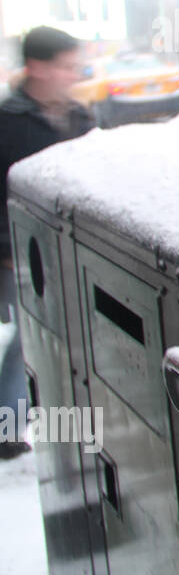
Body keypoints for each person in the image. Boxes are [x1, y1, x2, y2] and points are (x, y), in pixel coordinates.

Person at [0, 27, 96, 459]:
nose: (72, 76)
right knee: (28, 339)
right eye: (64, 66)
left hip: (69, 254)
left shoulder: (82, 119)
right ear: (37, 67)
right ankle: (7, 427)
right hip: (16, 255)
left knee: (68, 339)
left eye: (75, 66)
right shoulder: (7, 122)